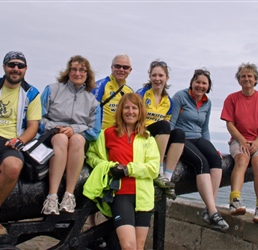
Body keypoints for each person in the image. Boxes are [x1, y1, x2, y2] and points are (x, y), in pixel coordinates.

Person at [83, 93, 159, 249]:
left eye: (134, 108)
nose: (130, 112)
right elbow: (91, 155)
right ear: (120, 110)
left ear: (140, 112)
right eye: (126, 108)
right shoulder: (108, 134)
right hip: (121, 194)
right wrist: (108, 166)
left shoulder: (147, 138)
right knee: (128, 245)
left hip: (143, 196)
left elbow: (153, 168)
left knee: (139, 246)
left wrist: (127, 169)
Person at [0, 51, 42, 237]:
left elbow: (32, 127)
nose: (15, 69)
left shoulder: (31, 93)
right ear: (5, 67)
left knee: (13, 167)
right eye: (12, 64)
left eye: (20, 66)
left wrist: (20, 141)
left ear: (25, 69)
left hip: (10, 141)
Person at [40, 55, 101, 215]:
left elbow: (94, 131)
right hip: (52, 136)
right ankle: (52, 196)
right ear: (68, 72)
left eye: (82, 70)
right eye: (74, 69)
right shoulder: (52, 90)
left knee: (78, 139)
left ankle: (69, 194)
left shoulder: (92, 101)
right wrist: (57, 128)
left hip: (76, 139)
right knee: (61, 138)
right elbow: (38, 118)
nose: (77, 73)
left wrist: (74, 129)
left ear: (87, 75)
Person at [170, 69, 229, 231]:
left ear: (208, 86)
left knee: (216, 161)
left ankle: (210, 209)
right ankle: (213, 211)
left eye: (204, 83)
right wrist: (170, 146)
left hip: (199, 137)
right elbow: (171, 123)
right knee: (201, 163)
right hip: (182, 137)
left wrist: (210, 147)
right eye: (198, 82)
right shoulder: (180, 97)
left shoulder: (207, 103)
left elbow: (204, 127)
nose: (200, 86)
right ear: (192, 82)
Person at [221, 63, 258, 224]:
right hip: (238, 138)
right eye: (243, 76)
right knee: (242, 160)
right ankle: (235, 200)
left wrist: (257, 142)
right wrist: (242, 140)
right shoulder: (232, 98)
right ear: (239, 80)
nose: (246, 79)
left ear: (255, 80)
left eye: (250, 76)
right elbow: (229, 124)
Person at [136, 60, 185, 200]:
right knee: (164, 125)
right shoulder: (142, 94)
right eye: (154, 75)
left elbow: (168, 122)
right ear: (150, 77)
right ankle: (158, 169)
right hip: (142, 133)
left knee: (179, 133)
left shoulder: (168, 101)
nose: (157, 79)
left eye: (161, 75)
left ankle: (167, 178)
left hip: (158, 135)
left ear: (166, 78)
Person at [93, 54, 134, 129]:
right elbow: (91, 111)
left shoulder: (130, 91)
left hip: (121, 135)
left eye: (125, 67)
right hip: (101, 135)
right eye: (117, 66)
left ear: (130, 70)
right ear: (112, 68)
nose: (121, 70)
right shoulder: (100, 85)